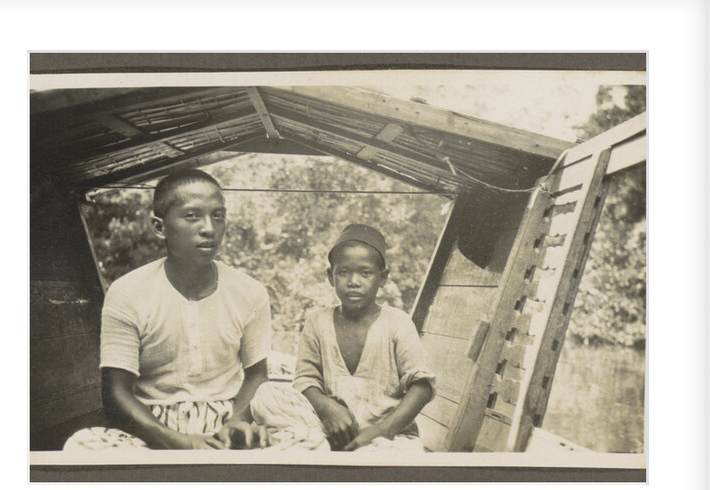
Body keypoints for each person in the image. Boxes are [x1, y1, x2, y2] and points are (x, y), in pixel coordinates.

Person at [65, 169, 271, 451]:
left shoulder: (250, 292)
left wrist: (236, 422)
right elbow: (116, 393)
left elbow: (257, 374)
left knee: (306, 441)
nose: (209, 228)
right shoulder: (128, 292)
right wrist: (180, 442)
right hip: (151, 427)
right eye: (192, 216)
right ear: (159, 227)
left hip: (228, 421)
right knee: (82, 445)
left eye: (218, 215)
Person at [253, 224, 435, 452]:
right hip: (330, 426)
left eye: (365, 273)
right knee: (265, 395)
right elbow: (305, 380)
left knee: (401, 453)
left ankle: (328, 446)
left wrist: (383, 430)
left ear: (383, 278)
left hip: (386, 433)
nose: (354, 282)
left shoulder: (397, 322)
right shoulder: (317, 321)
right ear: (331, 276)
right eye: (344, 272)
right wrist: (329, 409)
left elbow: (422, 386)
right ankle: (329, 443)